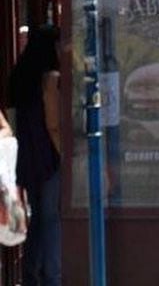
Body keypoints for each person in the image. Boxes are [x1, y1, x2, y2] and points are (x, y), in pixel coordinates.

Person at [10, 25, 61, 286]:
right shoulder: (50, 77)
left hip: (29, 158)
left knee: (39, 217)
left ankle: (31, 272)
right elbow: (53, 124)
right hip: (49, 157)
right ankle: (52, 275)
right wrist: (63, 153)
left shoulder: (22, 77)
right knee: (51, 218)